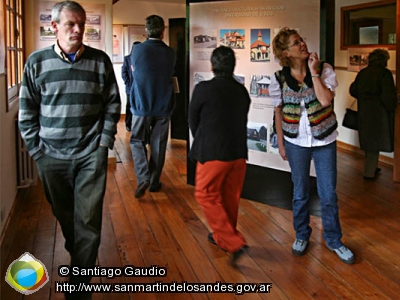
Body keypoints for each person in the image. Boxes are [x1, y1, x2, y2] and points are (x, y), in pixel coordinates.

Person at [18, 1, 121, 298]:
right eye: (70, 24)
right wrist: (37, 151)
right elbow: (27, 112)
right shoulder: (36, 63)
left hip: (91, 154)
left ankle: (78, 289)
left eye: (81, 24)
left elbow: (113, 103)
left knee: (88, 221)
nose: (78, 30)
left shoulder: (100, 61)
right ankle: (80, 258)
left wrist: (103, 144)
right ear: (54, 27)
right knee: (67, 219)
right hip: (51, 157)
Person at [270, 27, 354, 264]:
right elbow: (278, 111)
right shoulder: (279, 79)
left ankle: (334, 240)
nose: (303, 45)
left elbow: (326, 99)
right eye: (297, 43)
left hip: (324, 140)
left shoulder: (324, 69)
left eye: (302, 40)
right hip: (295, 142)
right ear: (286, 53)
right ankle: (302, 235)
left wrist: (314, 73)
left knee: (328, 194)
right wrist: (282, 143)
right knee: (300, 192)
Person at [189, 46, 251, 265]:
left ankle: (233, 242)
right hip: (238, 154)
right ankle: (223, 237)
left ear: (212, 65)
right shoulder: (241, 91)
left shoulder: (203, 89)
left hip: (213, 153)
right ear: (232, 66)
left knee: (205, 194)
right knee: (229, 197)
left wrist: (204, 139)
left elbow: (193, 120)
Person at [129, 15, 176, 198]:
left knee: (137, 141)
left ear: (146, 31)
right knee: (158, 145)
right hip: (163, 105)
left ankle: (143, 178)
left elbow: (135, 72)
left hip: (142, 104)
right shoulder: (170, 52)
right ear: (163, 31)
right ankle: (154, 182)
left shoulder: (137, 50)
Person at [349, 49, 397, 180]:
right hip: (380, 114)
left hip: (364, 111)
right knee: (375, 143)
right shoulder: (384, 74)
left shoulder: (363, 73)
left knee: (369, 142)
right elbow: (389, 97)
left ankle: (371, 168)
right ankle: (369, 173)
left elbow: (353, 90)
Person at [121, 41, 141, 131]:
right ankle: (128, 124)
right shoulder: (127, 59)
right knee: (129, 105)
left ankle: (138, 125)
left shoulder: (143, 58)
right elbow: (124, 72)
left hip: (140, 88)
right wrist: (128, 83)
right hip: (130, 87)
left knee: (139, 105)